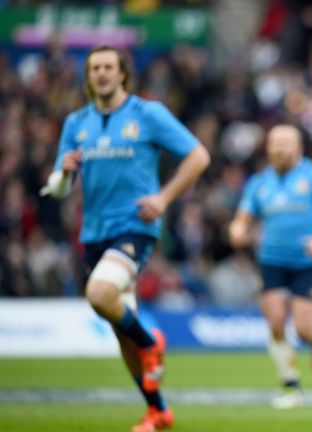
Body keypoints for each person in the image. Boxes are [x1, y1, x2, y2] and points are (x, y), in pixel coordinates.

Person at [41, 45, 210, 432]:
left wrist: (164, 198)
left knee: (100, 294)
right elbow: (59, 188)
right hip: (93, 234)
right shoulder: (76, 123)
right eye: (94, 68)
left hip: (135, 226)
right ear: (88, 76)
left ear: (122, 74)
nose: (101, 73)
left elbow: (199, 156)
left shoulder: (147, 113)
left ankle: (151, 342)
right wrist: (63, 173)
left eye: (108, 67)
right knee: (122, 335)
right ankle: (158, 410)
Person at [228, 124, 312, 408]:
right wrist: (237, 230)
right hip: (271, 260)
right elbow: (242, 218)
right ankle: (290, 385)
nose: (280, 149)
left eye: (286, 143)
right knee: (274, 323)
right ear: (268, 148)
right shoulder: (259, 182)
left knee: (304, 330)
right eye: (275, 143)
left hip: (306, 262)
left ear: (299, 148)